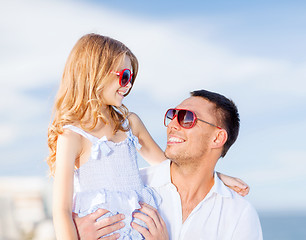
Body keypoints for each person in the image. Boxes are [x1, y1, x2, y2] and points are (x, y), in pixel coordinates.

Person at [47, 33, 249, 240]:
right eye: (124, 76)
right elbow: (61, 210)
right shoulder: (72, 135)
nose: (128, 85)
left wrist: (216, 177)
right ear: (95, 73)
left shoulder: (129, 123)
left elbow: (169, 167)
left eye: (131, 79)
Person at [74, 89, 263, 240]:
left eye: (187, 118)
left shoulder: (239, 214)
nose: (172, 124)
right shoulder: (130, 188)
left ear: (217, 137)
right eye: (173, 115)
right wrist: (77, 233)